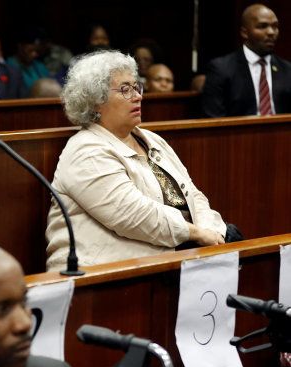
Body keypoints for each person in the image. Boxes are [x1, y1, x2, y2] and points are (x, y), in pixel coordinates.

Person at [46, 51, 231, 270]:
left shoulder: (151, 139)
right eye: (125, 90)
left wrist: (213, 232)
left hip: (167, 262)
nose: (138, 96)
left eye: (136, 87)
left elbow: (193, 194)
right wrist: (197, 233)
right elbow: (134, 216)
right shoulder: (85, 150)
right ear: (95, 100)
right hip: (104, 278)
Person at [201, 4, 291, 117]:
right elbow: (213, 118)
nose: (271, 32)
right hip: (237, 133)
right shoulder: (221, 69)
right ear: (244, 32)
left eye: (275, 26)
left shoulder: (287, 70)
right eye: (262, 26)